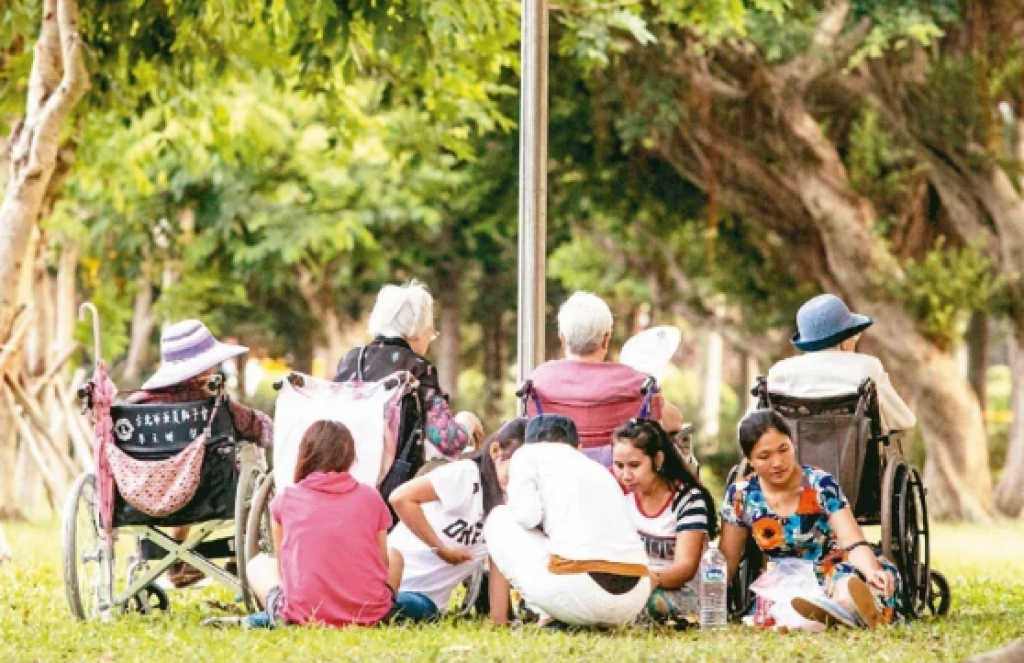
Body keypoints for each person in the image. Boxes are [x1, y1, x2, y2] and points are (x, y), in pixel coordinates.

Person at [719, 410, 901, 629]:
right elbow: (727, 560)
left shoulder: (820, 483)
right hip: (784, 578)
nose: (777, 462)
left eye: (783, 449)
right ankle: (841, 613)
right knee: (787, 606)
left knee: (851, 582)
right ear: (749, 460)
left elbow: (852, 542)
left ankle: (846, 606)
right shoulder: (741, 495)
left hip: (831, 565)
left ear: (793, 444)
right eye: (764, 456)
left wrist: (871, 570)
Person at [127, 320, 273, 588]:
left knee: (176, 470)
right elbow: (260, 428)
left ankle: (179, 561)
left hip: (142, 500)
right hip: (211, 498)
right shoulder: (216, 406)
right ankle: (239, 556)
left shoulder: (133, 408)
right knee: (238, 469)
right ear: (205, 366)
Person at [484, 414, 651, 628]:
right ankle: (563, 615)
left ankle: (545, 613)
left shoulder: (527, 454)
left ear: (529, 442)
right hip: (633, 600)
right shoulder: (598, 469)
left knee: (499, 518)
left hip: (581, 593)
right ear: (578, 446)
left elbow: (527, 517)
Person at [245, 420, 395, 627]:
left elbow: (284, 570)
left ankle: (273, 618)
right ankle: (382, 612)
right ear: (350, 456)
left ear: (305, 454)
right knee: (396, 556)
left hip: (304, 615)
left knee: (257, 565)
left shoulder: (286, 499)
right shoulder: (371, 497)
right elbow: (383, 563)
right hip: (367, 613)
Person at [386, 419, 527, 624]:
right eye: (516, 472)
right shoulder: (467, 474)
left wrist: (500, 622)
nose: (519, 481)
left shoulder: (511, 504)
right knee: (378, 601)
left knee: (397, 607)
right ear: (495, 451)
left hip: (424, 601)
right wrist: (440, 548)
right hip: (386, 580)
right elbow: (400, 498)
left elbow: (499, 564)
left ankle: (377, 607)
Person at [334, 281, 478, 462]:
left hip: (347, 472)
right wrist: (466, 421)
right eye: (430, 333)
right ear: (417, 331)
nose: (429, 339)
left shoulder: (350, 360)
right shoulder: (417, 369)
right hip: (394, 485)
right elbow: (449, 441)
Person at [526, 292, 662, 467]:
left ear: (562, 340)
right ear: (606, 339)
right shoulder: (637, 383)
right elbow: (667, 422)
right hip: (621, 483)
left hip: (555, 479)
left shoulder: (538, 381)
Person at [611, 418, 717, 626]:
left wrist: (649, 581)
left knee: (646, 604)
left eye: (634, 465)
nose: (625, 475)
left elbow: (685, 568)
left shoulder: (688, 500)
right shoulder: (623, 500)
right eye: (619, 465)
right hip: (637, 587)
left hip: (682, 595)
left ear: (658, 460)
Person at [765, 294, 915, 433]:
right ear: (844, 341)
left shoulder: (780, 372)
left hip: (792, 459)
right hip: (859, 459)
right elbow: (904, 420)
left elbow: (750, 427)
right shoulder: (867, 367)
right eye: (854, 336)